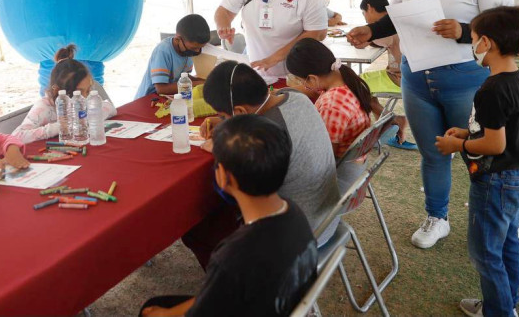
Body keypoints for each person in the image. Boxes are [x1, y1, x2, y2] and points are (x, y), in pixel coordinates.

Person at [346, 0, 514, 250]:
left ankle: (506, 223)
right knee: (433, 152)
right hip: (417, 80)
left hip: (467, 80)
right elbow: (395, 20)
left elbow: (506, 31)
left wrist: (465, 31)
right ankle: (437, 217)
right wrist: (370, 30)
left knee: (479, 156)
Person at [140, 115, 318, 317]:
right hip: (284, 305)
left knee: (152, 308)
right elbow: (215, 296)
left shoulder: (233, 256)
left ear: (223, 176)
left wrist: (164, 315)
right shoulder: (294, 212)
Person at [434, 6, 519, 317]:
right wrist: (467, 130)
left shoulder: (491, 89)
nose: (473, 45)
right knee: (506, 247)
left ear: (486, 42)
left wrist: (457, 143)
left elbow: (494, 143)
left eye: (473, 39)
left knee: (485, 253)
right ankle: (503, 304)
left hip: (494, 181)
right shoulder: (518, 79)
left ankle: (500, 312)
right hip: (515, 176)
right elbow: (501, 127)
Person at [193, 61, 340, 261]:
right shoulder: (296, 98)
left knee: (202, 226)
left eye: (223, 115)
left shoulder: (266, 136)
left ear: (241, 112)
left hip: (300, 236)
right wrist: (228, 121)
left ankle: (229, 273)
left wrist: (221, 145)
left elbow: (240, 193)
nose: (223, 119)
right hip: (328, 217)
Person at [285, 38, 371, 159]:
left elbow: (325, 157)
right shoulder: (343, 78)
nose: (303, 86)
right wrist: (280, 92)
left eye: (301, 81)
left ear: (313, 78)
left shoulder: (332, 106)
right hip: (355, 162)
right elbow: (314, 90)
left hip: (339, 169)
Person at [13, 45, 116, 143]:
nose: (85, 96)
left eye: (88, 90)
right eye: (78, 92)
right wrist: (60, 126)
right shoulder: (45, 107)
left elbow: (110, 107)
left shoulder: (86, 98)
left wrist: (91, 117)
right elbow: (17, 137)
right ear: (58, 90)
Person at [356, 0, 413, 149]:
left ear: (370, 8)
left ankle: (391, 121)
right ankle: (384, 127)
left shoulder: (385, 26)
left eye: (364, 13)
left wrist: (363, 39)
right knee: (361, 81)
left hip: (399, 78)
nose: (365, 19)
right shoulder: (396, 20)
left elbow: (369, 39)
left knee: (356, 86)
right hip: (403, 74)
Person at [136, 14, 210, 98]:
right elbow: (161, 89)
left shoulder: (187, 51)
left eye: (200, 48)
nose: (197, 51)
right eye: (194, 48)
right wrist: (198, 84)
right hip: (149, 98)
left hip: (170, 96)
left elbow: (184, 77)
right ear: (178, 39)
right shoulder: (163, 51)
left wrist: (206, 82)